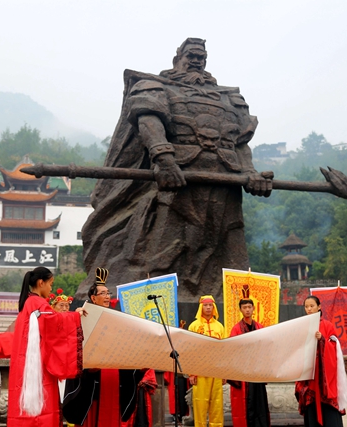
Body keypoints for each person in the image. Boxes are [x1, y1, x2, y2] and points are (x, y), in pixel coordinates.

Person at [77, 38, 274, 302]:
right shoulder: (156, 86)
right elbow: (149, 120)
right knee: (166, 248)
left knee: (228, 245)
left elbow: (239, 143)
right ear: (177, 58)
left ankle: (236, 305)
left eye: (201, 57)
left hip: (225, 180)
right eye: (191, 55)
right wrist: (164, 158)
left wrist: (251, 173)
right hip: (178, 179)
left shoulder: (230, 99)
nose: (197, 61)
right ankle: (152, 301)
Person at [63, 268, 145, 427]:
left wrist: (138, 369)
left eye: (108, 293)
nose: (107, 296)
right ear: (93, 298)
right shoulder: (83, 318)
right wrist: (87, 369)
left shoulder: (116, 320)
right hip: (91, 384)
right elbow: (74, 349)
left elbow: (123, 351)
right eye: (103, 293)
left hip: (114, 378)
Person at [7, 267, 86, 427]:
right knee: (42, 413)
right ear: (40, 283)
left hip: (25, 366)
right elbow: (55, 325)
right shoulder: (38, 303)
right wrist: (75, 315)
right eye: (50, 284)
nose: (51, 289)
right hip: (37, 368)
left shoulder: (28, 302)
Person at [295, 296, 347, 427]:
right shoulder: (302, 326)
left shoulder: (327, 325)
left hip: (324, 378)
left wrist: (322, 340)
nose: (309, 309)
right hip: (310, 377)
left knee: (329, 414)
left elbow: (334, 347)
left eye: (312, 306)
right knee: (311, 408)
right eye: (306, 307)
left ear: (319, 307)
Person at [228, 299, 270, 427]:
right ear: (240, 310)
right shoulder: (236, 329)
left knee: (259, 402)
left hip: (257, 372)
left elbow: (266, 347)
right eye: (244, 307)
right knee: (247, 403)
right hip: (244, 373)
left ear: (253, 308)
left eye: (249, 307)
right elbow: (232, 350)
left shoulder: (260, 327)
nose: (247, 310)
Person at [187, 295, 226, 427]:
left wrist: (224, 372)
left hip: (217, 370)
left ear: (214, 307)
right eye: (205, 305)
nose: (208, 308)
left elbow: (224, 349)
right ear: (201, 307)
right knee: (200, 404)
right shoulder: (194, 326)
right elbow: (190, 350)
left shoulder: (220, 326)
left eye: (210, 305)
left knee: (217, 403)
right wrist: (191, 373)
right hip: (200, 370)